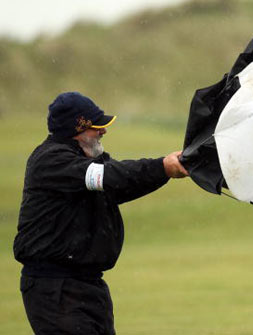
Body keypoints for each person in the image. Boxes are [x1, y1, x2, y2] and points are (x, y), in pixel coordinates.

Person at [13, 91, 189, 335]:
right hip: (55, 288)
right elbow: (111, 176)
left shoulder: (84, 161)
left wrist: (167, 171)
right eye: (97, 126)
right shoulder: (51, 160)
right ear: (77, 129)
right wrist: (162, 167)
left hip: (88, 284)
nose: (103, 131)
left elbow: (120, 185)